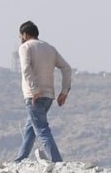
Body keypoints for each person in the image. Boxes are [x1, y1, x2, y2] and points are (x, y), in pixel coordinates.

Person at [13, 20, 73, 163]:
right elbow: (66, 68)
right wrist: (64, 91)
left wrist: (34, 90)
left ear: (25, 35)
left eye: (20, 36)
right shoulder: (50, 48)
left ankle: (57, 162)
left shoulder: (25, 47)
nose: (20, 39)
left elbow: (26, 68)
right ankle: (19, 160)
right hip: (48, 96)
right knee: (30, 128)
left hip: (34, 96)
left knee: (41, 130)